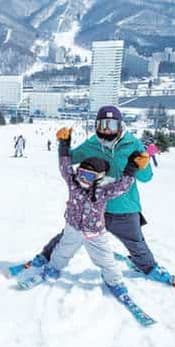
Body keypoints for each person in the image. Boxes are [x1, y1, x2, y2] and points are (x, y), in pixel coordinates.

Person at [33, 106, 171, 280]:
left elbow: (147, 177)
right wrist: (64, 142)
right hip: (93, 206)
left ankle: (149, 268)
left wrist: (142, 163)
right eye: (102, 124)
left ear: (120, 126)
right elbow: (72, 157)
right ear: (96, 125)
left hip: (124, 207)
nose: (106, 129)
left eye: (111, 125)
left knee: (136, 242)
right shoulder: (92, 144)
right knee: (69, 234)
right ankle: (46, 256)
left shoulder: (132, 144)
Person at [19, 127, 149, 296]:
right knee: (62, 251)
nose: (82, 179)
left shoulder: (104, 191)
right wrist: (64, 144)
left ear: (100, 178)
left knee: (105, 260)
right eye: (80, 174)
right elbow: (65, 166)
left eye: (88, 177)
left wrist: (132, 167)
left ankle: (114, 282)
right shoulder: (74, 185)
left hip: (94, 233)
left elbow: (123, 186)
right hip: (72, 227)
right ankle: (53, 268)